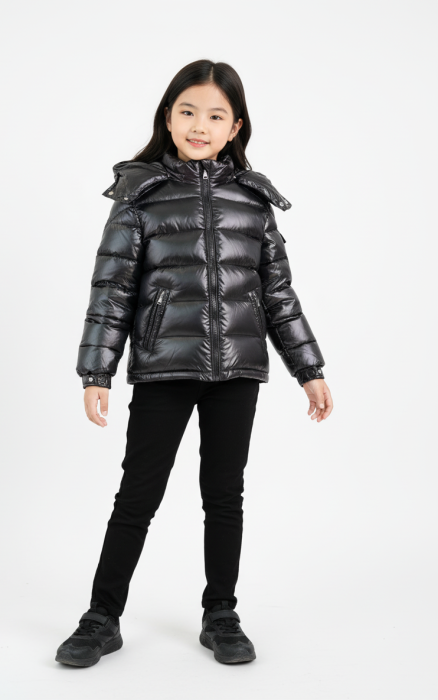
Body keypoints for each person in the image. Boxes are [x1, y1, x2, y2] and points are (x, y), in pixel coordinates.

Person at [55, 59, 333, 668]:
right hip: (164, 365)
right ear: (168, 117)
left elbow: (279, 294)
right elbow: (112, 290)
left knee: (224, 496)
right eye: (187, 112)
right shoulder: (139, 195)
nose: (199, 125)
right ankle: (101, 618)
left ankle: (221, 614)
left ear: (235, 128)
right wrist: (97, 371)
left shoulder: (254, 200)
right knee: (137, 495)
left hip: (238, 369)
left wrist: (309, 369)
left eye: (214, 115)